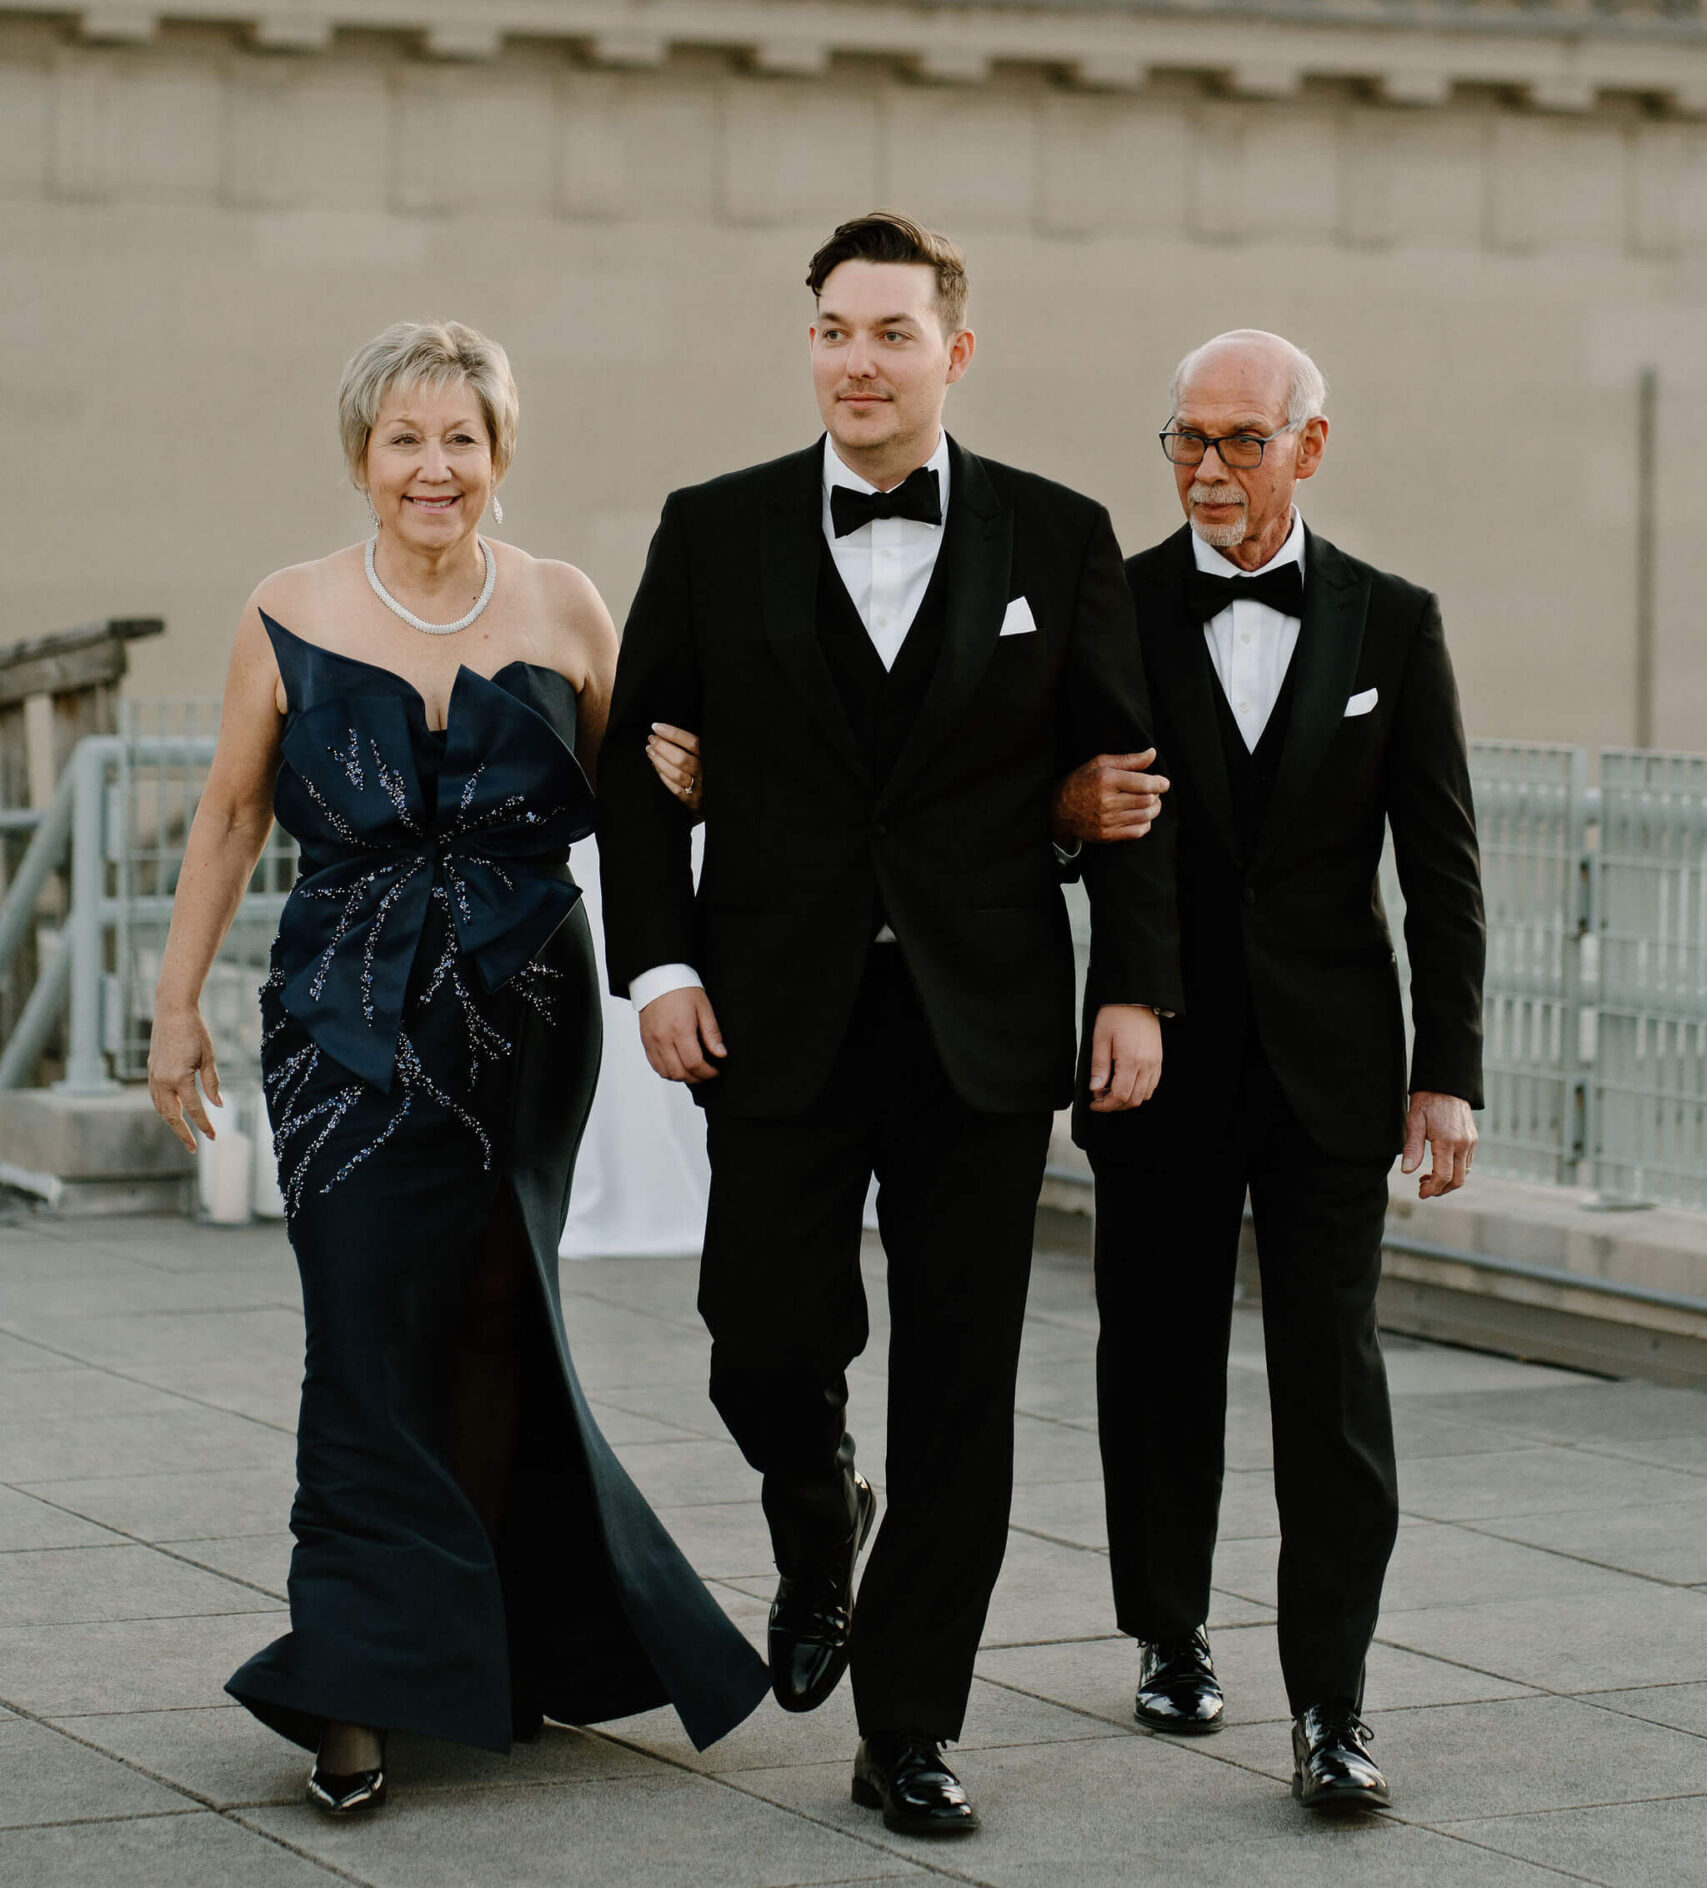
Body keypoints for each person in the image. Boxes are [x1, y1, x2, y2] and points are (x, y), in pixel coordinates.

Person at [597, 212, 1180, 1840]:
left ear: (956, 352)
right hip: (771, 1015)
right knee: (759, 1340)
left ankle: (912, 1722)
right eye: (835, 332)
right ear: (812, 348)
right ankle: (811, 1507)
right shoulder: (712, 531)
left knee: (962, 1391)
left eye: (892, 333)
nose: (860, 360)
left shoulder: (1058, 538)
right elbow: (633, 780)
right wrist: (658, 970)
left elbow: (1132, 789)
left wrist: (1133, 984)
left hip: (981, 1028)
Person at [147, 320, 766, 1819]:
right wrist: (177, 1009)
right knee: (363, 1333)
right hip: (344, 1026)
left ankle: (472, 1643)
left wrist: (699, 781)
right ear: (363, 455)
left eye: (462, 439)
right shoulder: (285, 608)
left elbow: (641, 802)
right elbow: (231, 821)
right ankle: (355, 1689)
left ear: (499, 454)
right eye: (406, 440)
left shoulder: (563, 601)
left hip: (530, 1016)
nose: (436, 468)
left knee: (500, 1317)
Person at [1055, 329, 1484, 1816]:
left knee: (1333, 1386)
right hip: (1153, 1053)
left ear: (1311, 444)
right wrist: (1067, 809)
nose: (1210, 472)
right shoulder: (1111, 602)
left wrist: (1449, 1075)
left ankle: (1335, 1704)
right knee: (1157, 1362)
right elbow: (1047, 807)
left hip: (1333, 1070)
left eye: (1242, 441)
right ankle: (1170, 1632)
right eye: (1186, 441)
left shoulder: (1393, 622)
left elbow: (1442, 870)